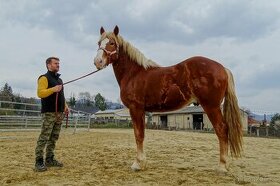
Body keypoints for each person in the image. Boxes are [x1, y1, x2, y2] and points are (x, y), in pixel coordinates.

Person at [34, 57, 69, 172]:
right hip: (49, 113)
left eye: (59, 63)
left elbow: (61, 96)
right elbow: (40, 93)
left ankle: (49, 159)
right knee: (44, 137)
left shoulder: (60, 80)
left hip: (59, 114)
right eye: (55, 63)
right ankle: (39, 161)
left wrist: (65, 106)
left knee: (53, 138)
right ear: (48, 65)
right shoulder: (44, 78)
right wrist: (53, 89)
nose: (58, 65)